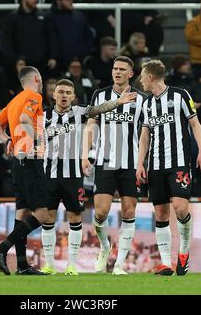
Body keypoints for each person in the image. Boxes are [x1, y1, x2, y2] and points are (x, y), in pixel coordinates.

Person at [40, 79, 137, 275]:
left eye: (68, 92)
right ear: (54, 95)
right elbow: (29, 137)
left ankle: (71, 266)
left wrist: (118, 103)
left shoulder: (79, 112)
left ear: (74, 96)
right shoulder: (43, 116)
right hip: (48, 174)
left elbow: (99, 109)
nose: (64, 96)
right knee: (48, 218)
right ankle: (49, 264)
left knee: (75, 217)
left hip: (73, 174)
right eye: (61, 92)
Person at [136, 60, 201, 276]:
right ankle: (167, 263)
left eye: (142, 76)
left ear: (150, 77)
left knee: (180, 208)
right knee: (160, 213)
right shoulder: (147, 104)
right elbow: (144, 136)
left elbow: (195, 123)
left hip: (178, 162)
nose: (140, 80)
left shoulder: (180, 95)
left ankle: (184, 253)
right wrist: (141, 163)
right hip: (156, 165)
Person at [82, 56, 147, 275]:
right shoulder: (100, 95)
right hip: (105, 161)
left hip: (130, 162)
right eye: (114, 68)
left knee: (129, 211)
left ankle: (119, 264)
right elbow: (90, 121)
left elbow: (147, 131)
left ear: (131, 73)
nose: (117, 72)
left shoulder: (142, 99)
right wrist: (85, 154)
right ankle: (104, 247)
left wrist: (144, 161)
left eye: (122, 69)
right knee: (100, 212)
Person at [0, 66, 51, 275]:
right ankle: (0, 249)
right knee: (42, 214)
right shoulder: (34, 96)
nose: (41, 84)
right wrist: (40, 139)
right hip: (31, 159)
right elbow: (25, 120)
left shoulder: (14, 100)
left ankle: (22, 265)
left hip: (17, 161)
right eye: (41, 80)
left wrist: (8, 140)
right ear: (36, 78)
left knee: (22, 213)